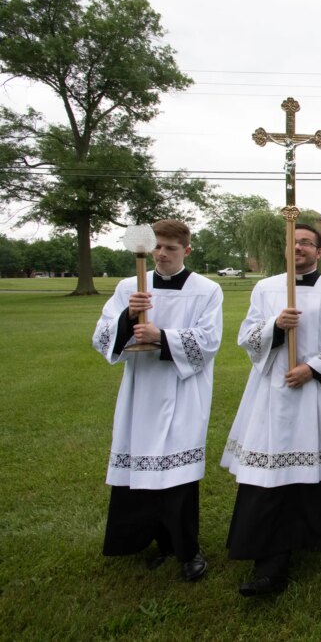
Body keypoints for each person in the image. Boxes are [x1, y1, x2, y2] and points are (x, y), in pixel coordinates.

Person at [221, 223, 321, 596]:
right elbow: (247, 338)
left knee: (311, 474)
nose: (298, 248)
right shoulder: (266, 288)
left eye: (306, 243)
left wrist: (312, 368)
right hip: (273, 395)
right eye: (292, 243)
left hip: (316, 395)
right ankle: (268, 561)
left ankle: (308, 540)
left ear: (320, 251)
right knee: (268, 476)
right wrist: (276, 327)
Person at [92, 219, 223, 583]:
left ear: (186, 250)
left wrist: (161, 336)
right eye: (158, 247)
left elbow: (209, 341)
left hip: (183, 389)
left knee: (178, 474)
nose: (162, 254)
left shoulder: (207, 289)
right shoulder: (129, 287)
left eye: (170, 248)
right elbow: (101, 335)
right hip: (141, 391)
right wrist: (127, 317)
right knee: (140, 465)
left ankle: (186, 549)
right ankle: (145, 541)